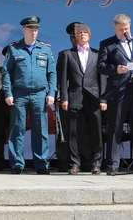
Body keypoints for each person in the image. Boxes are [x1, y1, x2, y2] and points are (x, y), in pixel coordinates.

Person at [97, 13, 133, 176]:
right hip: (118, 90)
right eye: (121, 30)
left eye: (127, 29)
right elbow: (101, 66)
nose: (124, 32)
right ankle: (113, 165)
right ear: (114, 28)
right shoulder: (107, 44)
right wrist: (115, 69)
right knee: (115, 127)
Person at [2, 16, 56, 174]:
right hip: (20, 93)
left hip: (39, 94)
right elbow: (7, 72)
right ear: (23, 30)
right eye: (31, 29)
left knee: (40, 130)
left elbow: (52, 73)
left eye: (36, 29)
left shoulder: (45, 49)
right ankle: (17, 164)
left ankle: (41, 163)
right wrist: (8, 92)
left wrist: (51, 92)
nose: (34, 32)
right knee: (17, 129)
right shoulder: (14, 48)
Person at [58, 23, 106, 175]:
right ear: (75, 37)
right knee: (73, 132)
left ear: (89, 36)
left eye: (85, 32)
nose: (82, 34)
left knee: (96, 131)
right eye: (80, 33)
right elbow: (62, 79)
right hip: (75, 96)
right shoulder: (67, 54)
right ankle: (74, 163)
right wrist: (64, 98)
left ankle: (96, 163)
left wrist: (103, 99)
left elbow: (102, 79)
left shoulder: (98, 54)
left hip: (94, 97)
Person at [55, 21, 81, 172]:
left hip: (86, 99)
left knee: (85, 132)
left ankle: (87, 161)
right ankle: (66, 162)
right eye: (74, 37)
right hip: (68, 98)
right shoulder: (65, 54)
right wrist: (59, 98)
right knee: (66, 131)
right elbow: (60, 79)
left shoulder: (94, 54)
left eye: (79, 36)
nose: (76, 40)